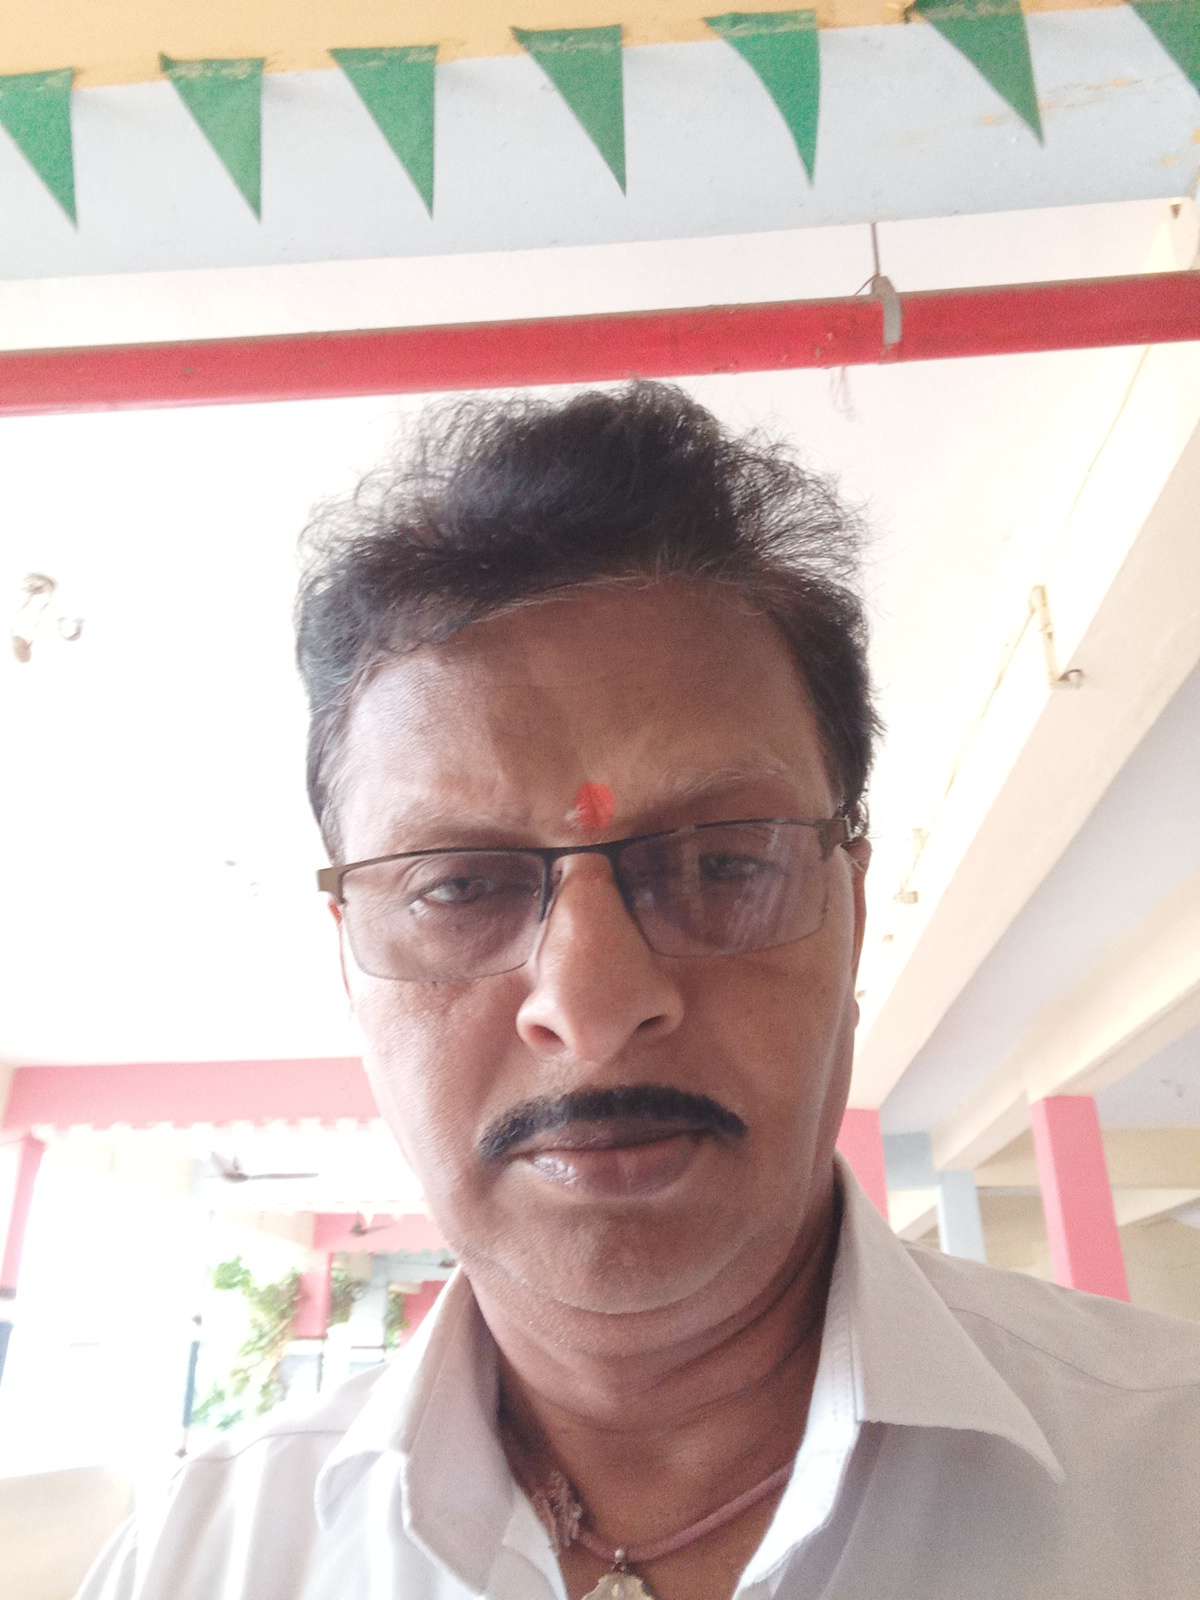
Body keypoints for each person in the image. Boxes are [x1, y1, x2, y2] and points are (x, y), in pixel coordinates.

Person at [79, 384, 1200, 1600]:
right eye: (459, 886)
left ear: (852, 908)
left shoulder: (1163, 1486)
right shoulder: (198, 1563)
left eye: (721, 864)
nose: (593, 1004)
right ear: (351, 960)